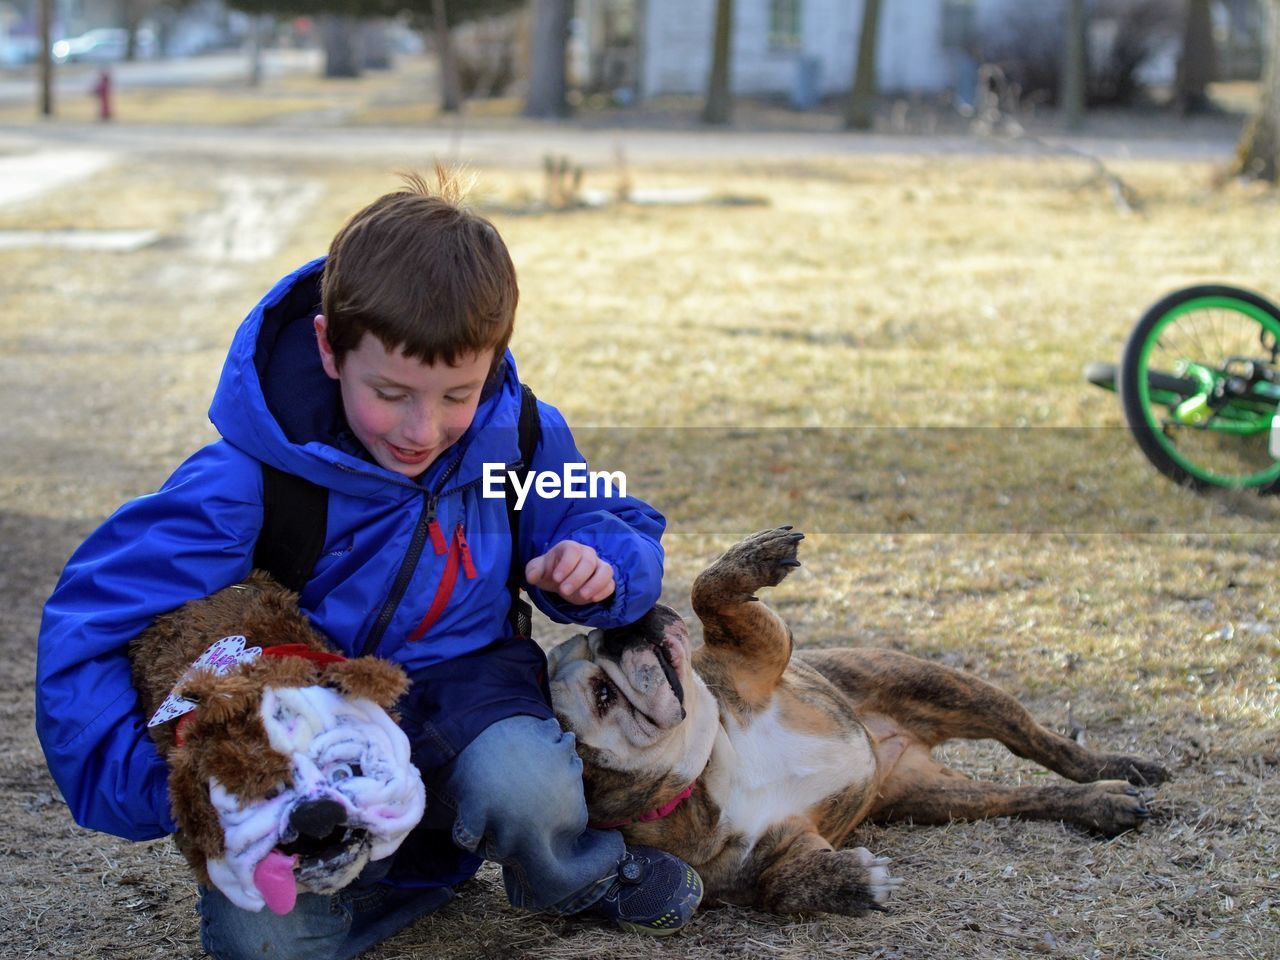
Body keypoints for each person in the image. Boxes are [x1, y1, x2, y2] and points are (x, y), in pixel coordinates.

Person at [35, 171, 703, 960]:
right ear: (329, 347)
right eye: (391, 392)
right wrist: (164, 787)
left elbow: (610, 515)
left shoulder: (515, 436)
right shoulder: (249, 480)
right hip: (311, 731)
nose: (425, 429)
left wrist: (601, 563)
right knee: (266, 947)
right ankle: (394, 869)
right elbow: (90, 617)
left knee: (524, 786)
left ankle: (569, 872)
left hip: (469, 685)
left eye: (459, 393)